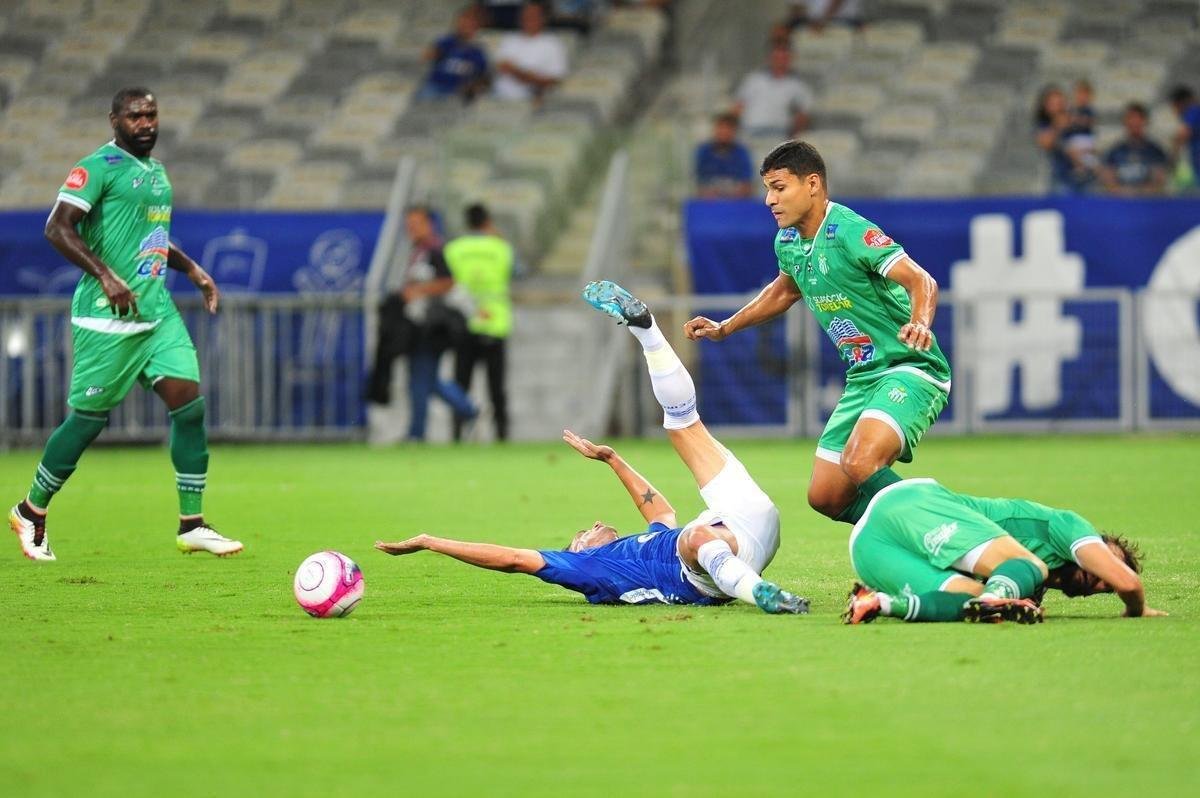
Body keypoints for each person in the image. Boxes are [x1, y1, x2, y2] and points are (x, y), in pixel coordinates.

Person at [377, 281, 807, 614]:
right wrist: (433, 542)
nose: (595, 523)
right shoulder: (590, 571)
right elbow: (510, 558)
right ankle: (764, 596)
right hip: (715, 566)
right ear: (578, 551)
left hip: (748, 522)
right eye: (583, 532)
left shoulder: (645, 541)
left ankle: (647, 331)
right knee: (693, 537)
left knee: (681, 423)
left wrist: (613, 460)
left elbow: (657, 511)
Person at [8, 87, 242, 561]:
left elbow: (152, 238)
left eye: (152, 114)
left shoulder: (156, 172)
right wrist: (107, 276)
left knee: (189, 405)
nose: (146, 123)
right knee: (88, 421)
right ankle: (31, 510)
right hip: (107, 317)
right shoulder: (96, 167)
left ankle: (192, 523)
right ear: (114, 120)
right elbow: (57, 227)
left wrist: (193, 270)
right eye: (135, 116)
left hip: (156, 315)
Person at [684, 140, 950, 527]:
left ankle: (950, 529)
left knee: (861, 462)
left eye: (778, 187)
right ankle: (912, 527)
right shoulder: (788, 240)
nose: (768, 200)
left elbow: (921, 280)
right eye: (766, 189)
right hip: (863, 378)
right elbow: (785, 290)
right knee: (826, 496)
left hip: (909, 368)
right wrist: (725, 328)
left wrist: (920, 323)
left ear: (812, 184)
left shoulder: (850, 231)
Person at [842, 477, 1167, 623]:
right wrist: (1137, 609)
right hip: (909, 501)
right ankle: (991, 599)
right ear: (1098, 546)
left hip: (867, 550)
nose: (1100, 583)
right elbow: (1129, 584)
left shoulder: (1022, 581)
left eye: (1103, 590)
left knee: (967, 601)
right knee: (1030, 565)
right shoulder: (1068, 527)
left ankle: (878, 603)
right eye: (1106, 570)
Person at [392, 207, 478, 442]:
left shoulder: (435, 250)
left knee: (421, 379)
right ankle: (466, 409)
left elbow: (448, 282)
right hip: (420, 324)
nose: (412, 229)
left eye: (417, 223)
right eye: (409, 224)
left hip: (433, 326)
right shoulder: (419, 251)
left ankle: (418, 432)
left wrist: (417, 290)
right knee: (425, 379)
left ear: (429, 224)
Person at [445, 204, 514, 442]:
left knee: (461, 384)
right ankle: (502, 435)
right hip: (495, 322)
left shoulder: (454, 249)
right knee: (496, 387)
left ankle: (456, 434)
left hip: (464, 322)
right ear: (487, 221)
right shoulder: (501, 247)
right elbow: (517, 271)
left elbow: (449, 281)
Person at [492, 2, 569, 104]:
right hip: (497, 98)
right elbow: (499, 68)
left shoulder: (553, 44)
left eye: (533, 16)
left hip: (531, 101)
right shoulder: (509, 39)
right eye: (525, 15)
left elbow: (554, 81)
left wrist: (518, 73)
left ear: (543, 18)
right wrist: (525, 74)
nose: (528, 19)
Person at [733, 45, 813, 138]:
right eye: (776, 58)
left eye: (784, 58)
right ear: (769, 59)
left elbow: (803, 114)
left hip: (780, 132)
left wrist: (793, 136)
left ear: (790, 60)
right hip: (750, 130)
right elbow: (738, 107)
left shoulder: (797, 85)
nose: (780, 62)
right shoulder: (754, 80)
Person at [416, 7, 490, 102]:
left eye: (470, 24)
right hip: (436, 86)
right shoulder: (447, 41)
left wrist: (473, 87)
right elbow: (427, 56)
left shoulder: (478, 51)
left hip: (457, 92)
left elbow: (483, 76)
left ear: (477, 27)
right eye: (463, 22)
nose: (465, 26)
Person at [1034, 84, 1095, 194]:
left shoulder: (1073, 117)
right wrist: (1058, 126)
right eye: (1053, 103)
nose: (1058, 106)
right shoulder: (1044, 124)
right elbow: (1045, 143)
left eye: (1060, 102)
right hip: (1061, 178)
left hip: (1084, 175)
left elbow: (1088, 135)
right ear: (1045, 106)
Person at [1101, 102, 1169, 196]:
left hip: (1147, 205)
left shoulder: (1155, 151)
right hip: (1121, 204)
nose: (1134, 122)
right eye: (1130, 118)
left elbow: (1158, 183)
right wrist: (1125, 193)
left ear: (1145, 121)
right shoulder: (1114, 152)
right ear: (1125, 122)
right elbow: (1109, 183)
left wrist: (1139, 193)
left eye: (1138, 118)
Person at [694, 112, 755, 198]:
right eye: (721, 128)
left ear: (734, 131)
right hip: (708, 204)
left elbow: (747, 185)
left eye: (728, 129)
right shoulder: (704, 152)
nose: (724, 132)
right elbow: (697, 183)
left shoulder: (742, 153)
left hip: (736, 204)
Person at [1168, 84, 1200, 189]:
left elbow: (1182, 134)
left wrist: (1173, 159)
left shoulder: (1193, 110)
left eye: (1174, 106)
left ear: (1180, 103)